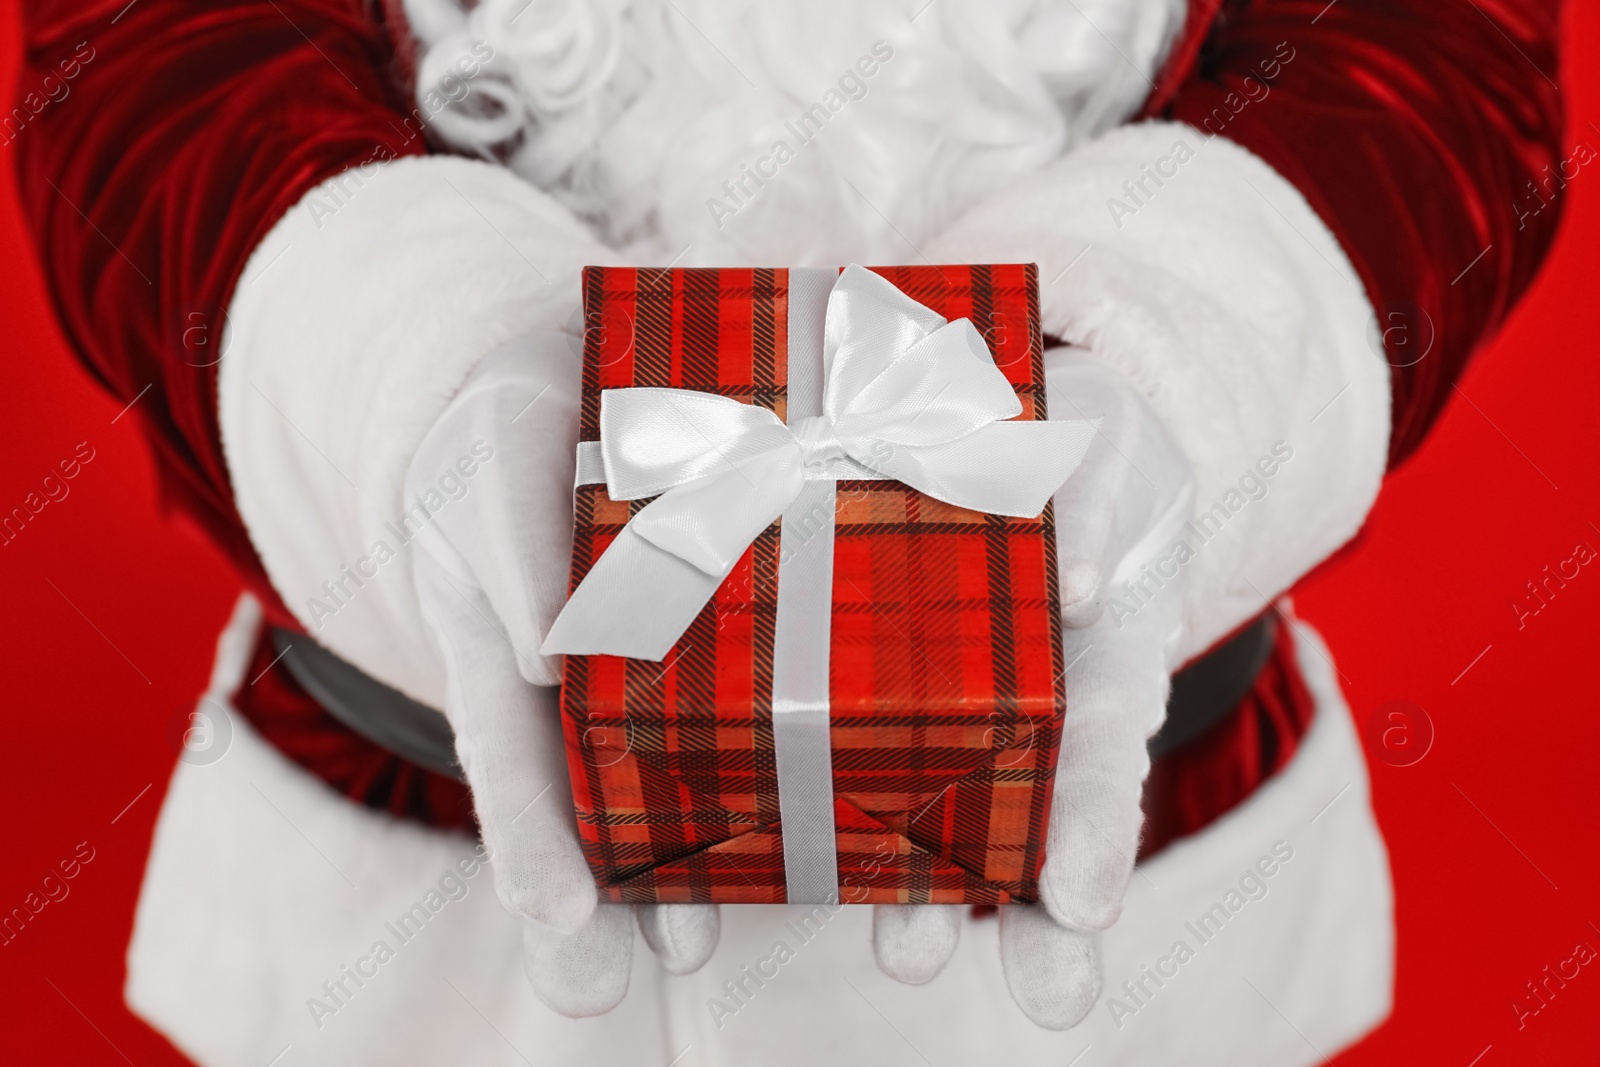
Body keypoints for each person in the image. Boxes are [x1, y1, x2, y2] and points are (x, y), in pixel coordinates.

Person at [13, 0, 1566, 1063]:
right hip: (418, 937)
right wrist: (404, 367)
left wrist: (1182, 352)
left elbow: (1434, 50)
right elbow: (147, 54)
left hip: (1164, 936)